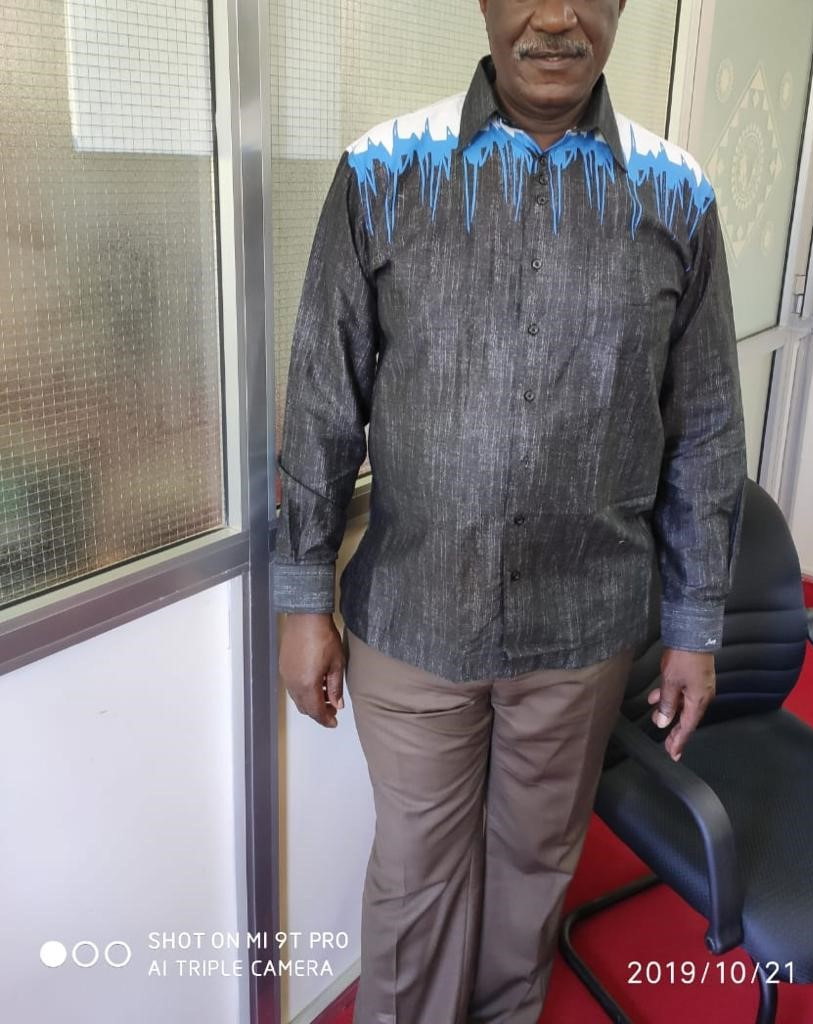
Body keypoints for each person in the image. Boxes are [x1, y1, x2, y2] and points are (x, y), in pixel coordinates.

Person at [273, 1, 747, 1021]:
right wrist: (303, 599)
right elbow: (322, 399)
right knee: (417, 875)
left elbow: (706, 428)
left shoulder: (676, 192)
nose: (556, 17)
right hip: (416, 615)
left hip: (582, 629)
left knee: (535, 863)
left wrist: (695, 625)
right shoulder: (383, 171)